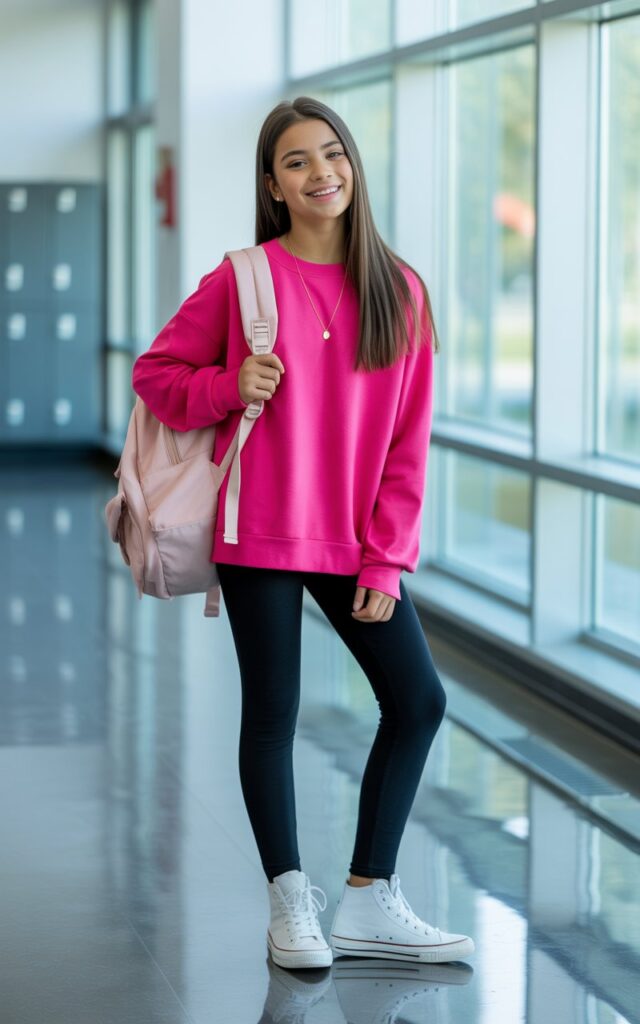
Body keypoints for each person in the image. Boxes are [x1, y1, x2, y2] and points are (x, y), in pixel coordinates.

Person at [131, 95, 475, 971]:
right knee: (273, 715)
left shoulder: (401, 289)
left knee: (419, 701)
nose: (321, 172)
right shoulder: (244, 278)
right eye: (296, 161)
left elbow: (408, 440)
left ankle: (368, 899)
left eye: (333, 154)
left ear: (353, 167)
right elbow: (158, 374)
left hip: (355, 540)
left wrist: (389, 559)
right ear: (273, 184)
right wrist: (228, 385)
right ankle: (291, 905)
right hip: (261, 531)